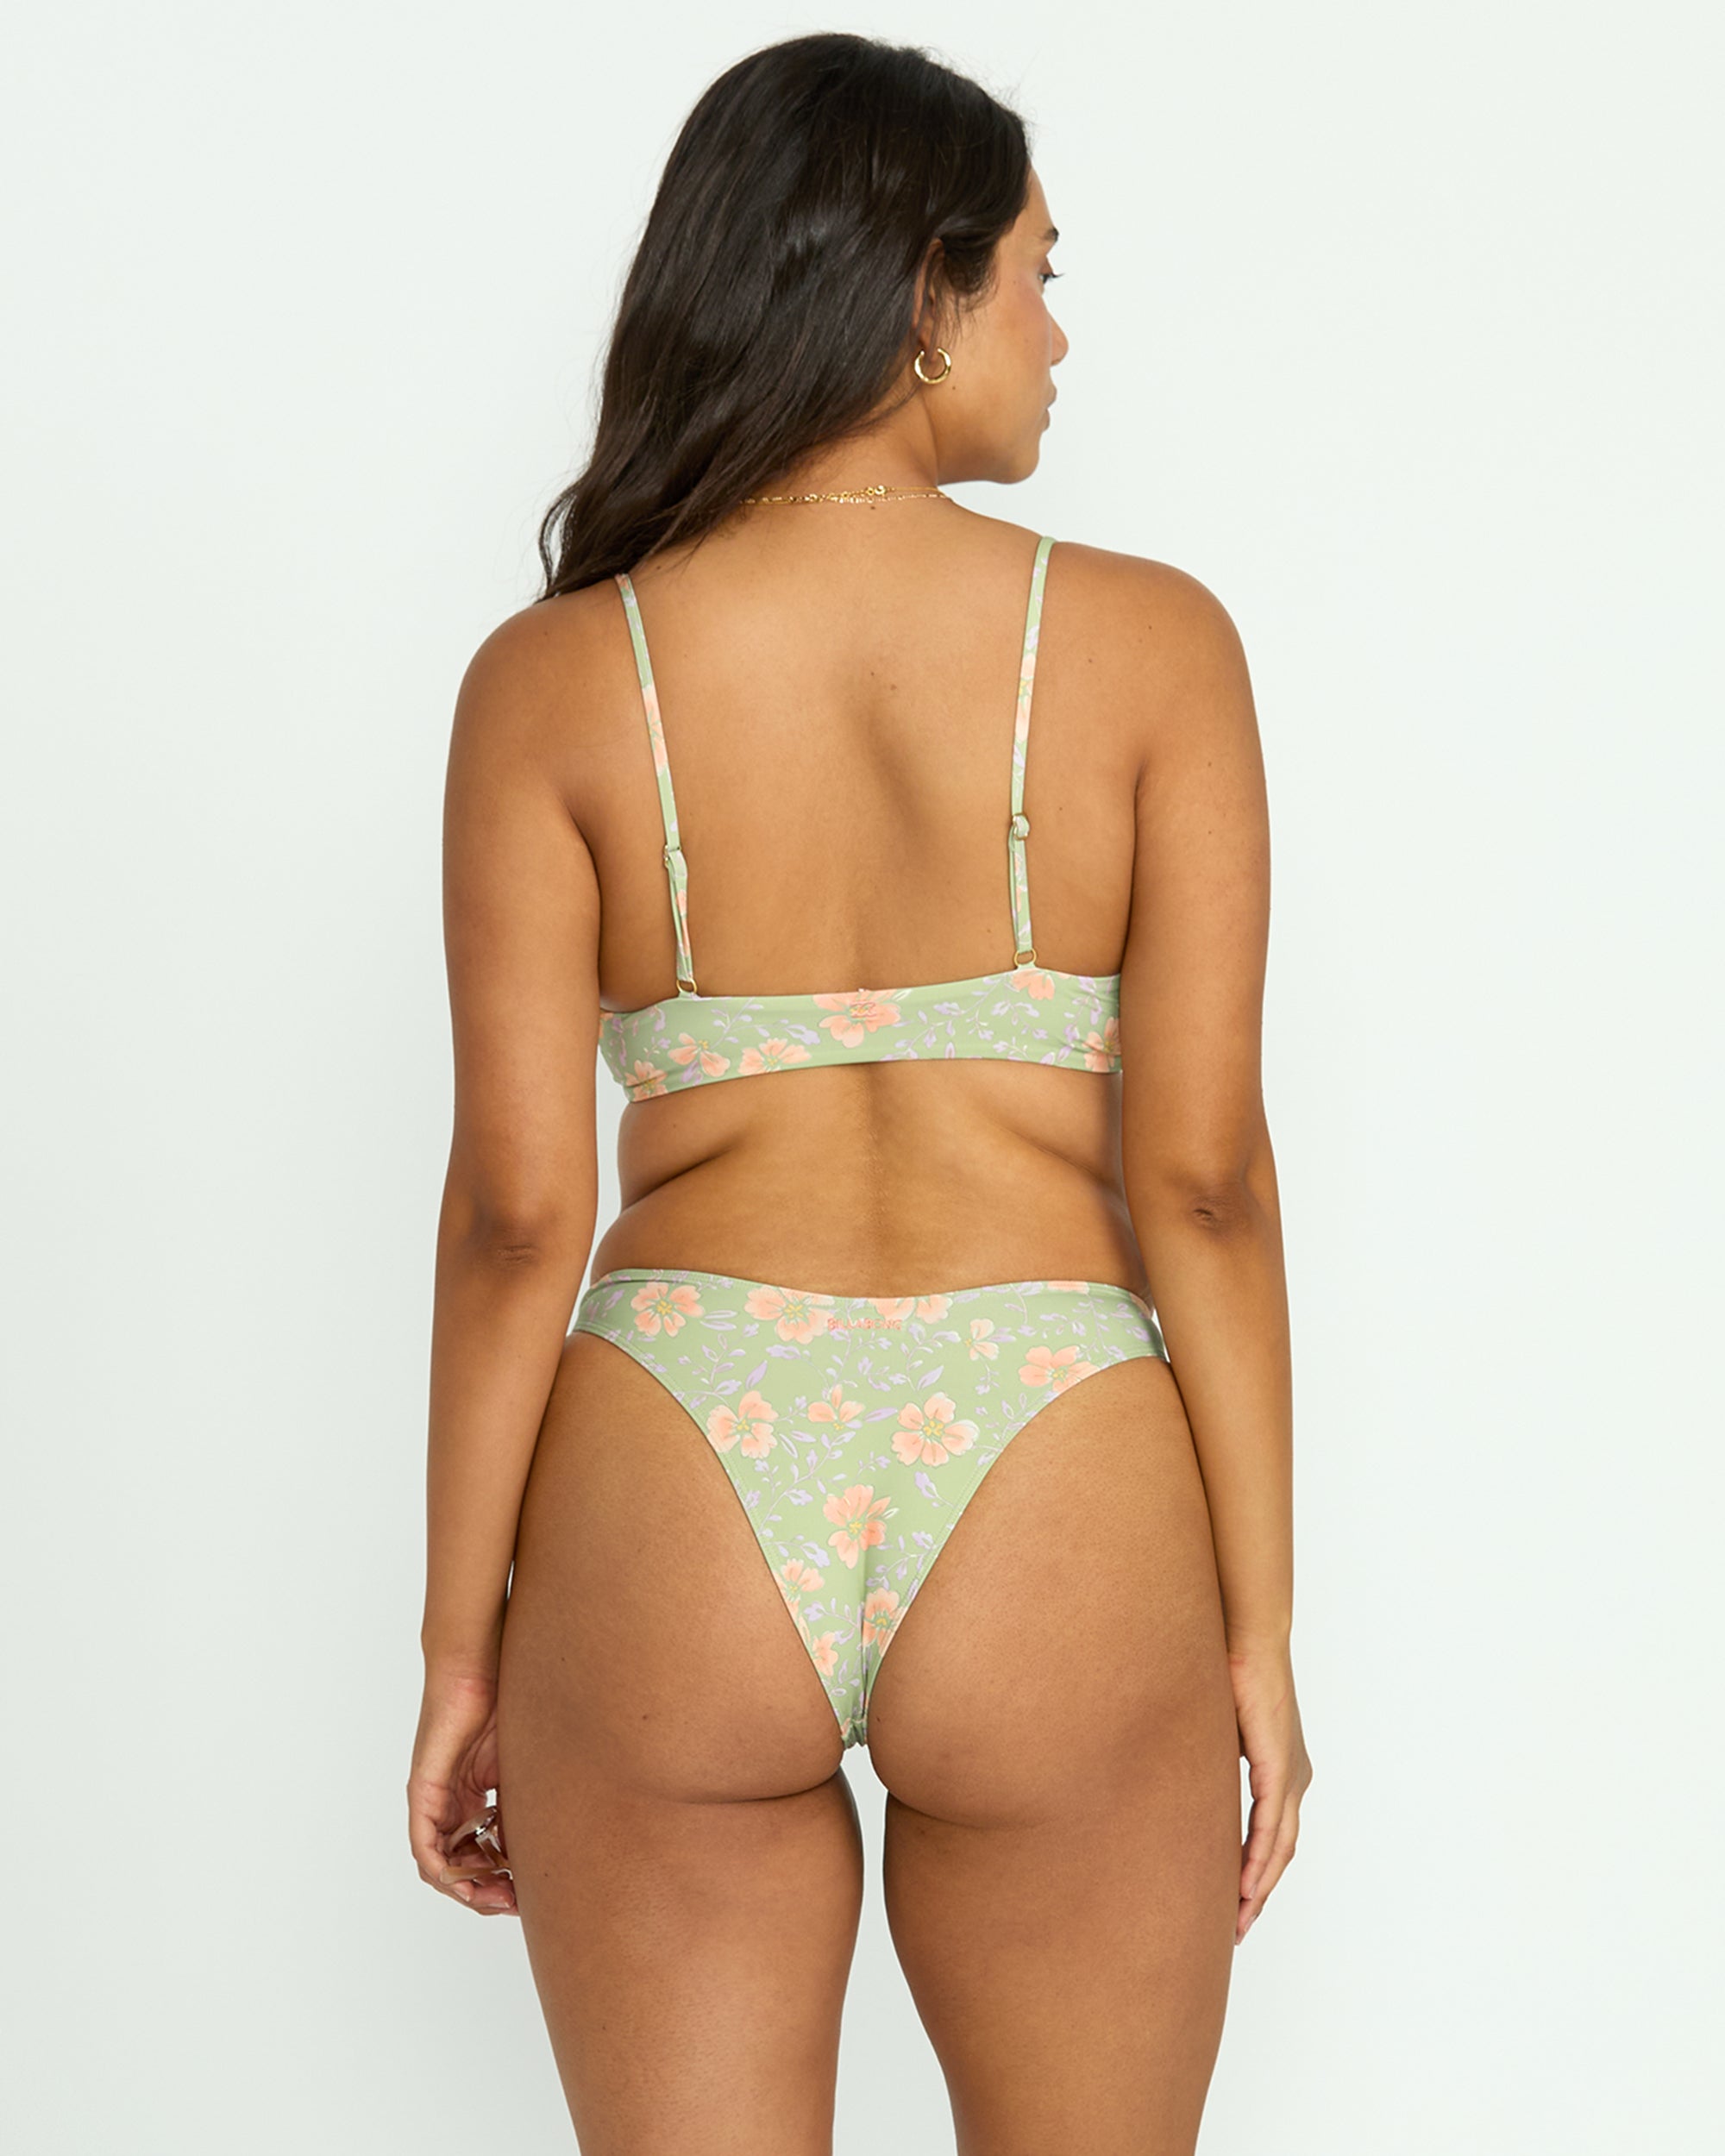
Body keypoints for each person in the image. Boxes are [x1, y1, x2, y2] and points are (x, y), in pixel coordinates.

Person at [407, 29, 1311, 2153]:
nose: (1057, 336)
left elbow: (519, 1217)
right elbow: (1201, 1182)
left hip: (676, 1456)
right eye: (1033, 276)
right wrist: (1261, 1627)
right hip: (1055, 1460)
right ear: (923, 291)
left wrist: (459, 1649)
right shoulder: (1152, 647)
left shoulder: (555, 678)